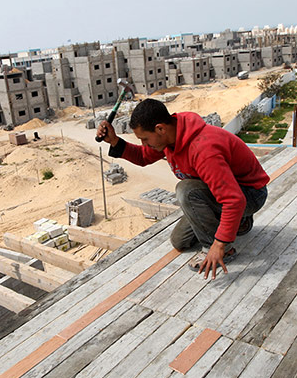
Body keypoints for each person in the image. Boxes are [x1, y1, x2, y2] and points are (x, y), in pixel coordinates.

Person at [97, 98, 269, 280]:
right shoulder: (170, 138)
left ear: (160, 129)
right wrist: (114, 141)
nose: (145, 144)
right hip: (227, 191)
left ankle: (226, 249)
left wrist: (218, 245)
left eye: (145, 139)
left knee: (186, 190)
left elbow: (234, 200)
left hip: (250, 194)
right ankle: (239, 223)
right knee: (180, 241)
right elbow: (143, 157)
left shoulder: (202, 149)